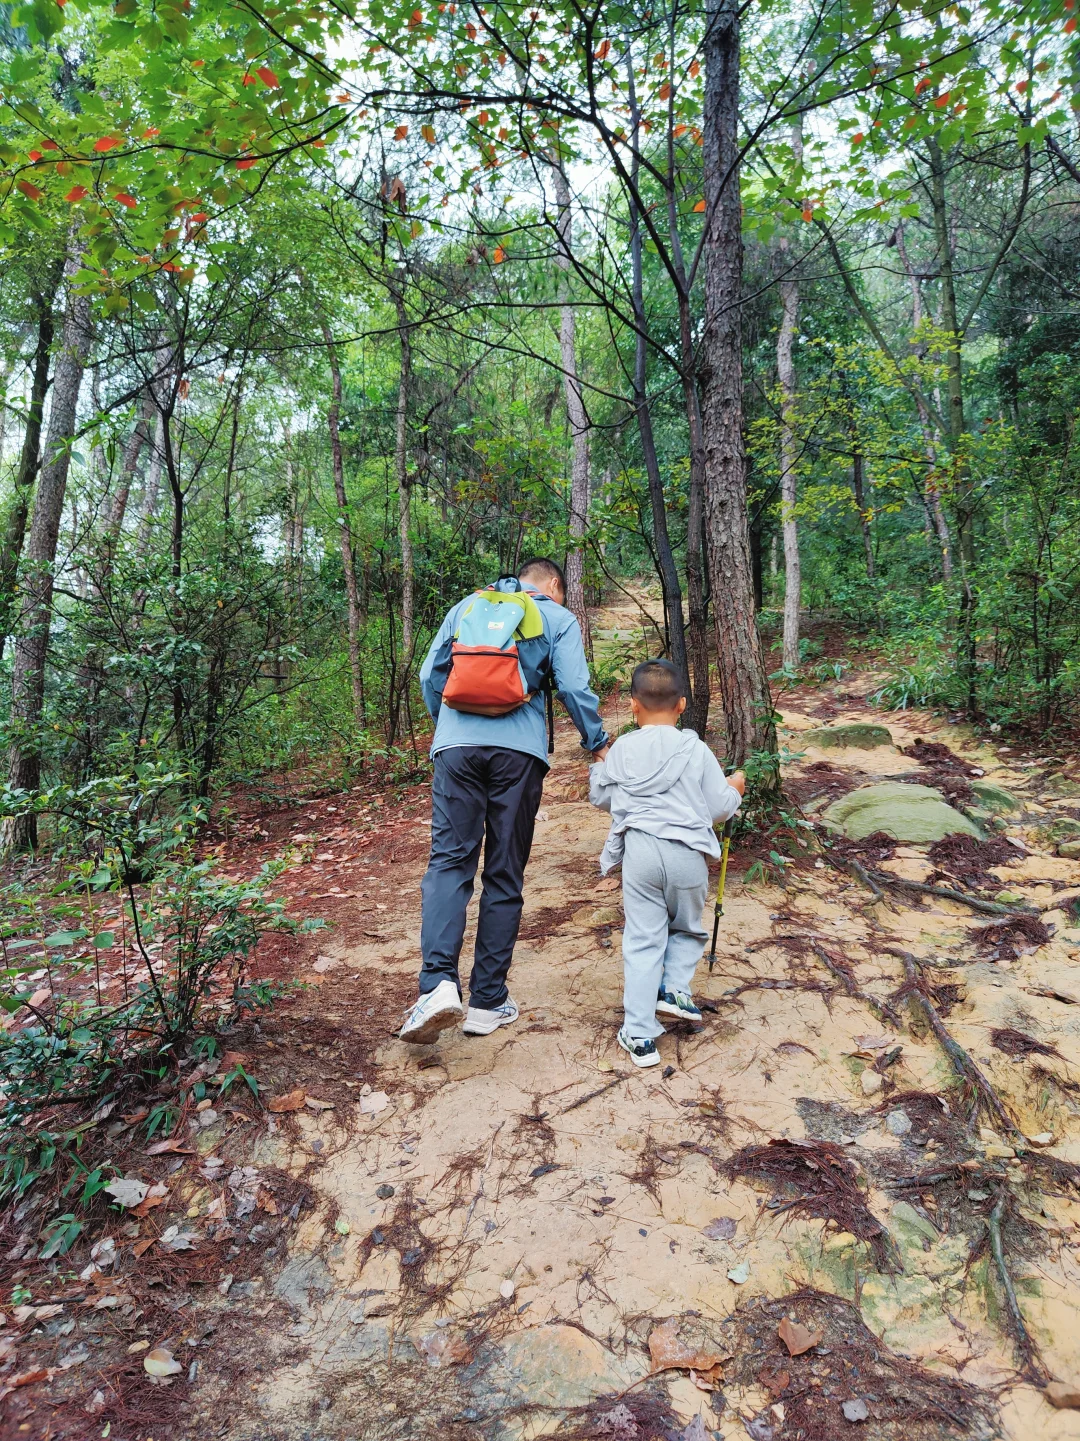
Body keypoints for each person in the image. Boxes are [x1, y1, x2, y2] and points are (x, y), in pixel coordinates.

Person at [399, 557, 610, 1044]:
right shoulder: (558, 618)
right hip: (519, 755)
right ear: (554, 585)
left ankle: (436, 988)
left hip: (455, 749)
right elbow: (574, 687)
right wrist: (596, 742)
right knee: (503, 871)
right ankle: (487, 1002)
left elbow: (432, 677)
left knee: (450, 864)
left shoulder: (467, 606)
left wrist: (449, 728)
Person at [589, 659, 745, 1068]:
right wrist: (735, 789)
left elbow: (603, 797)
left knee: (642, 939)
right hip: (687, 855)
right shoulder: (696, 750)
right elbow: (717, 808)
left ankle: (639, 1036)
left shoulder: (622, 748)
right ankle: (675, 989)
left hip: (639, 853)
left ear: (633, 707)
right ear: (681, 706)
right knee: (688, 928)